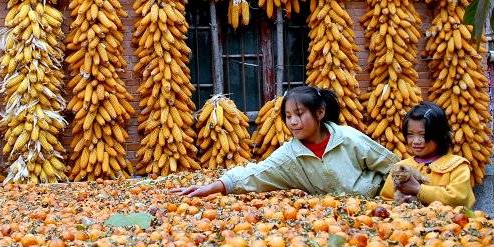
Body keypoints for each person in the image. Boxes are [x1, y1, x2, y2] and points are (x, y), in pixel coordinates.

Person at [171, 85, 400, 198]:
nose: (293, 122)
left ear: (320, 113)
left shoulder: (348, 138)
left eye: (299, 114)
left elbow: (392, 166)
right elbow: (255, 174)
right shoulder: (290, 155)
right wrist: (212, 187)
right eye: (288, 117)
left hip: (381, 203)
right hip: (339, 218)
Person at [379, 101, 475, 209]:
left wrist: (418, 189)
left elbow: (458, 199)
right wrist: (400, 205)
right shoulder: (400, 168)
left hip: (448, 225)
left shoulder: (457, 166)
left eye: (423, 135)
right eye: (410, 134)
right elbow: (386, 201)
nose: (415, 141)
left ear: (439, 134)